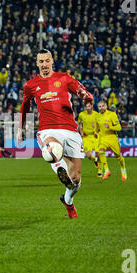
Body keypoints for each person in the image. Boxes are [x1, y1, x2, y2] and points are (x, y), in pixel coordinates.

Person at [18, 49, 93, 219]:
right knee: (52, 148)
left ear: (52, 61)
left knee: (76, 179)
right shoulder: (31, 85)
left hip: (71, 130)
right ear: (37, 64)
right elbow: (25, 107)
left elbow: (81, 90)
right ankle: (59, 167)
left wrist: (86, 96)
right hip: (48, 129)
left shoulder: (64, 78)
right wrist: (20, 128)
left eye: (47, 60)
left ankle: (67, 200)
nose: (44, 64)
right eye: (41, 62)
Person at [96, 100, 127, 181]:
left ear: (106, 106)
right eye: (99, 106)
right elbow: (97, 128)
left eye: (103, 106)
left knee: (118, 156)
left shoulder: (112, 114)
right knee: (101, 152)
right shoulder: (97, 116)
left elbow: (119, 128)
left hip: (112, 137)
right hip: (103, 138)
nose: (101, 108)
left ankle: (123, 168)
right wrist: (96, 132)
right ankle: (106, 170)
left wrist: (110, 127)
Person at [78, 101, 101, 177]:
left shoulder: (97, 115)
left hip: (95, 137)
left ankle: (100, 171)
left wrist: (97, 132)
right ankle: (95, 161)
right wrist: (81, 132)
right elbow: (79, 123)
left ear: (92, 106)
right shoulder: (81, 114)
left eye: (89, 106)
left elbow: (100, 126)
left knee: (98, 153)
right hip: (86, 137)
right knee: (89, 156)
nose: (87, 108)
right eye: (86, 107)